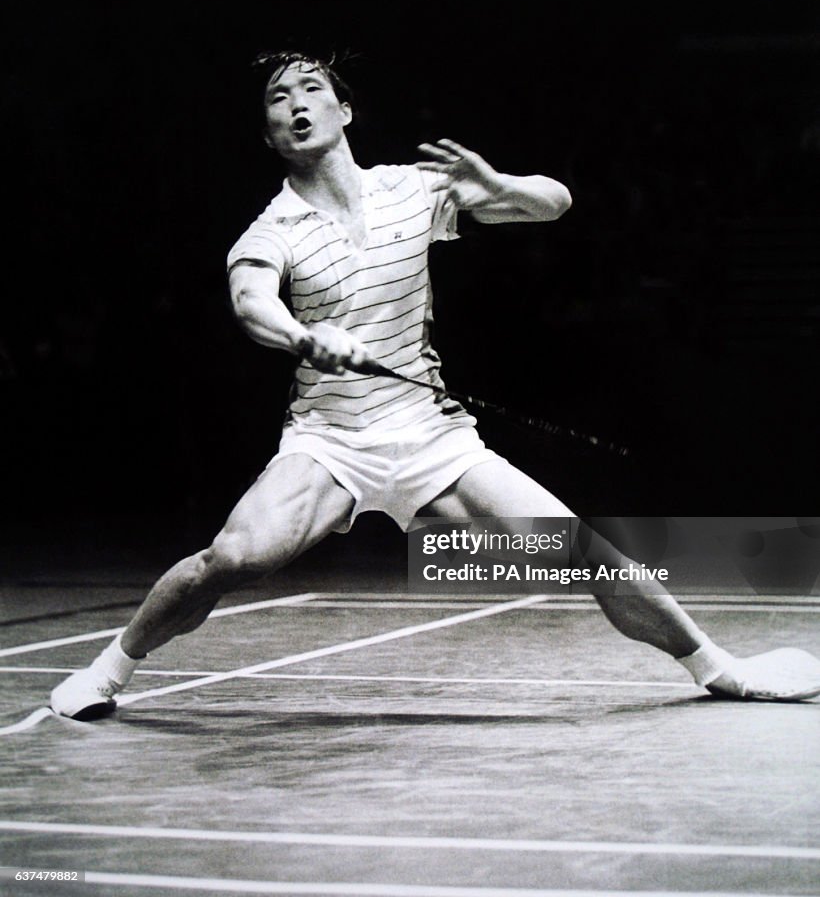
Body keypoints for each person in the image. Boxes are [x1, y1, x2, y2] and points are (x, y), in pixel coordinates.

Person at [50, 52, 820, 719]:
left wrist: (500, 184)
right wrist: (302, 334)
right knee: (231, 558)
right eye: (278, 100)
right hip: (331, 442)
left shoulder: (410, 192)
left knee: (587, 552)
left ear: (344, 109)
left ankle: (721, 670)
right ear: (269, 135)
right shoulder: (270, 231)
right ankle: (108, 669)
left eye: (310, 88)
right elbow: (252, 304)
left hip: (432, 437)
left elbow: (555, 204)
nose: (295, 104)